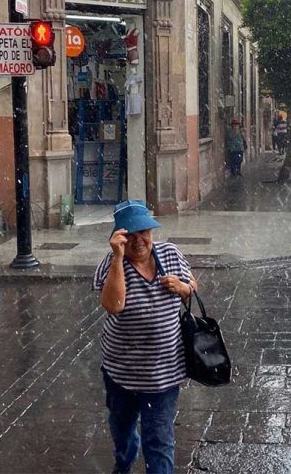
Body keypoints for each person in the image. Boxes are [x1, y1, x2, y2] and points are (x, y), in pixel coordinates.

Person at [94, 200, 197, 474]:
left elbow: (192, 284)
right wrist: (118, 258)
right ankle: (124, 464)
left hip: (164, 374)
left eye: (144, 231)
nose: (138, 240)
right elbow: (113, 305)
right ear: (118, 237)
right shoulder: (111, 264)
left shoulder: (170, 254)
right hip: (122, 374)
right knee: (123, 433)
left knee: (159, 442)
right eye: (130, 234)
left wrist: (183, 287)